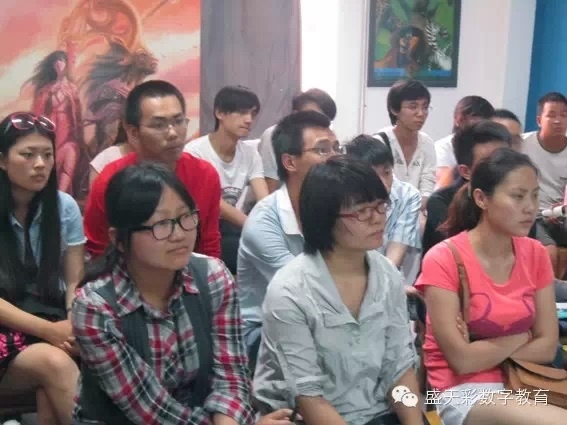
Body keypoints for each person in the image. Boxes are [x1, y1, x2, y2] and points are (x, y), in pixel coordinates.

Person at [73, 163, 295, 425]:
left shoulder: (213, 276)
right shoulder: (95, 307)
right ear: (119, 239)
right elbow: (151, 410)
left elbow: (231, 374)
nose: (179, 234)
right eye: (161, 224)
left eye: (185, 217)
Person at [254, 156, 424, 425]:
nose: (377, 219)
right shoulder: (290, 291)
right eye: (362, 211)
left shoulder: (387, 274)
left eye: (380, 206)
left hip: (379, 413)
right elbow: (309, 396)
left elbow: (399, 368)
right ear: (324, 218)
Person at [416, 148, 565, 425]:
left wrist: (481, 349)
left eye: (535, 195)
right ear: (481, 199)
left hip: (526, 378)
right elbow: (461, 361)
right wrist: (524, 336)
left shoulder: (534, 253)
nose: (530, 207)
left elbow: (547, 346)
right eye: (518, 196)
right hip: (463, 390)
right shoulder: (444, 258)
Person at [237, 110, 343, 367]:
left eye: (336, 148)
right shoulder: (263, 222)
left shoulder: (335, 207)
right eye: (322, 150)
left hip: (323, 316)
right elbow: (302, 290)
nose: (334, 158)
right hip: (262, 330)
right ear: (290, 162)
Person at [0, 112, 84, 425]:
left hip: (52, 318)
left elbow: (74, 281)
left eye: (47, 155)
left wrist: (73, 322)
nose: (40, 164)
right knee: (54, 363)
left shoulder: (65, 207)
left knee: (52, 388)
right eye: (28, 154)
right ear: (2, 161)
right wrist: (50, 332)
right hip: (9, 327)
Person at [83, 80, 222, 259]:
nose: (173, 133)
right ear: (133, 133)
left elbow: (209, 243)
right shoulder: (110, 180)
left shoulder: (205, 174)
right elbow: (97, 249)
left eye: (179, 121)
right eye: (159, 125)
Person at [185, 86, 268, 273]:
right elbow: (214, 203)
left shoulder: (250, 153)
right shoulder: (194, 152)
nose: (249, 120)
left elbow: (264, 199)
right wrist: (253, 226)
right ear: (220, 113)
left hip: (237, 228)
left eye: (253, 114)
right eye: (242, 112)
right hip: (204, 228)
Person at [422, 121, 512, 256]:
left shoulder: (520, 198)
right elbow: (458, 253)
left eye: (506, 160)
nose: (502, 169)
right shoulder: (442, 202)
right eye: (490, 163)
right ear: (465, 171)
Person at [345, 134, 421, 277]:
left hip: (389, 277)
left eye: (387, 172)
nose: (383, 184)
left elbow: (394, 258)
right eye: (373, 176)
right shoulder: (344, 197)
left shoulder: (408, 195)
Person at [373, 79, 436, 214]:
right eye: (413, 107)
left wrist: (417, 207)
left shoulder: (427, 143)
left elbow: (428, 182)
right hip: (386, 213)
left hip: (417, 213)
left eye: (425, 107)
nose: (421, 113)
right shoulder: (380, 142)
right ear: (394, 109)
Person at [522, 92, 567, 277]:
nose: (558, 120)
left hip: (561, 215)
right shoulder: (522, 145)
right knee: (548, 253)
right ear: (539, 120)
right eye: (551, 115)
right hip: (532, 216)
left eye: (564, 115)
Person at [258, 88, 337, 193]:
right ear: (295, 114)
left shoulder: (328, 138)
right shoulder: (274, 135)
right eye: (312, 116)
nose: (318, 122)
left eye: (325, 119)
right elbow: (269, 188)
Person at [434, 96, 494, 184]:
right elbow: (443, 183)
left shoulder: (493, 145)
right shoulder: (443, 147)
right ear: (458, 121)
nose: (480, 130)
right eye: (475, 125)